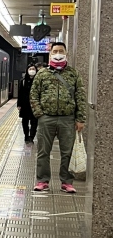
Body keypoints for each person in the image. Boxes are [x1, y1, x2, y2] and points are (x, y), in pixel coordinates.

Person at [29, 42, 86, 193]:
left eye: (61, 51)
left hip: (68, 119)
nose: (58, 54)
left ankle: (67, 182)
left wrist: (80, 118)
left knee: (67, 152)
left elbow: (80, 96)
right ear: (50, 54)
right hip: (46, 118)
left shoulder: (73, 74)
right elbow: (33, 95)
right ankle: (42, 181)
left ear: (66, 54)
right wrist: (40, 114)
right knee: (43, 151)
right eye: (55, 51)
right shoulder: (42, 74)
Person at [17, 62, 39, 144]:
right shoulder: (23, 81)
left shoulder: (38, 80)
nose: (32, 70)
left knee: (34, 122)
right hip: (25, 105)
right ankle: (26, 135)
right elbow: (20, 93)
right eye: (30, 69)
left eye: (33, 69)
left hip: (35, 104)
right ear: (27, 70)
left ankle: (31, 137)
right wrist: (19, 104)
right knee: (25, 121)